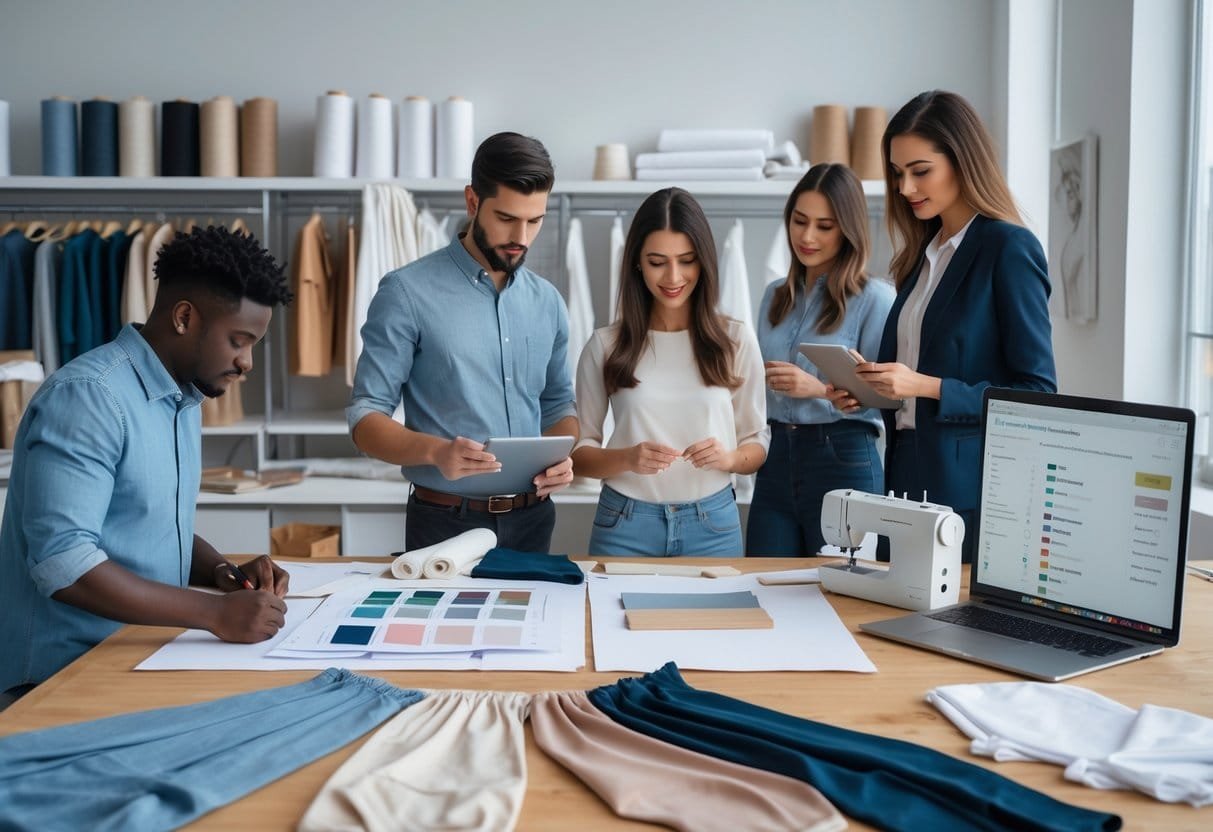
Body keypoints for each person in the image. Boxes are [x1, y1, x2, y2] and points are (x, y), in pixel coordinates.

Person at [0, 226, 293, 703]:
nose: (247, 363)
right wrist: (215, 614)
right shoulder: (89, 398)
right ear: (184, 318)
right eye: (239, 341)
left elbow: (149, 523)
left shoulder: (182, 400)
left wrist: (220, 571)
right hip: (59, 679)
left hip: (137, 655)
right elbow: (64, 563)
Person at [832, 90, 1057, 563]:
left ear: (962, 160)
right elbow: (914, 379)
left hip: (971, 492)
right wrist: (872, 391)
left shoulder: (1007, 249)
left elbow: (1037, 394)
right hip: (907, 477)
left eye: (920, 171)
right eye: (897, 173)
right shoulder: (922, 257)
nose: (905, 188)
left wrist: (925, 386)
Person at [349, 132, 577, 553]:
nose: (522, 237)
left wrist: (562, 457)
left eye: (534, 220)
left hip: (534, 521)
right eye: (507, 218)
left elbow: (560, 405)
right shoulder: (405, 292)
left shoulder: (548, 301)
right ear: (473, 202)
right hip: (442, 524)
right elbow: (365, 419)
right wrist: (437, 453)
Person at [573, 187, 769, 556]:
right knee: (611, 616)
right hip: (625, 523)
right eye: (657, 261)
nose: (673, 276)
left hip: (712, 524)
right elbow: (579, 454)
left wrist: (728, 458)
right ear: (637, 263)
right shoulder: (605, 345)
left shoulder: (736, 339)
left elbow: (756, 441)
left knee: (718, 617)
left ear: (704, 261)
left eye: (687, 260)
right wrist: (627, 458)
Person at [746, 164, 894, 557]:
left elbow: (890, 399)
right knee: (763, 583)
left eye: (824, 226)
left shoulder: (876, 299)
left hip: (843, 458)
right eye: (799, 221)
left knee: (844, 594)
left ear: (848, 229)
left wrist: (818, 389)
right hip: (775, 456)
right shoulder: (774, 296)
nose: (807, 237)